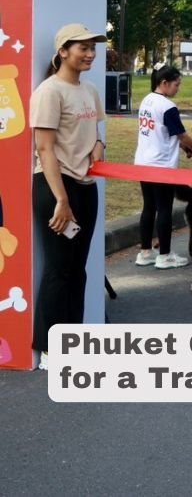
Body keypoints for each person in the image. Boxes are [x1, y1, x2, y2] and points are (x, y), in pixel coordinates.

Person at [29, 24, 107, 368]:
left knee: (78, 269)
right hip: (55, 188)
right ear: (63, 52)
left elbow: (96, 133)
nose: (90, 54)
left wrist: (99, 145)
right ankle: (49, 349)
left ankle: (72, 340)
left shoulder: (89, 90)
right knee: (59, 269)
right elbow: (44, 149)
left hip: (86, 187)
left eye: (92, 48)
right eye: (82, 48)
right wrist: (61, 200)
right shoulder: (49, 91)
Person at [133, 65, 192, 269]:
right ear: (164, 83)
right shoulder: (167, 106)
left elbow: (162, 133)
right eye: (176, 84)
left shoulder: (147, 100)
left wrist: (183, 147)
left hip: (144, 161)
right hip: (161, 165)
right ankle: (165, 255)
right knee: (164, 209)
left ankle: (145, 252)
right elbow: (181, 135)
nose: (178, 88)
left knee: (149, 207)